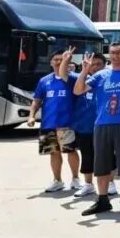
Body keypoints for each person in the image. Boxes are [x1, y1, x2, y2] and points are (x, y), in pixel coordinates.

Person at [73, 42, 120, 216]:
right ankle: (103, 200)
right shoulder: (101, 75)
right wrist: (84, 70)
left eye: (119, 53)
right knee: (101, 164)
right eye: (112, 53)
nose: (115, 56)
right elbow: (77, 91)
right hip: (102, 124)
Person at [29, 47, 81, 194]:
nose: (58, 62)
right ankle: (57, 180)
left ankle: (76, 179)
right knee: (53, 153)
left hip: (67, 123)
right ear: (51, 62)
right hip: (48, 123)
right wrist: (31, 115)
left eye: (61, 59)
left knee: (71, 151)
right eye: (56, 60)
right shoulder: (44, 81)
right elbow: (37, 100)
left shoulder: (73, 78)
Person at [65, 50, 104, 197]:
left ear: (105, 65)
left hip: (105, 125)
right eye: (92, 65)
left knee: (106, 156)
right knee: (87, 156)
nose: (95, 67)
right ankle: (88, 184)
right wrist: (83, 70)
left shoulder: (109, 79)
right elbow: (63, 74)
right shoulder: (81, 79)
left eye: (99, 64)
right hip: (85, 126)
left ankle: (111, 183)